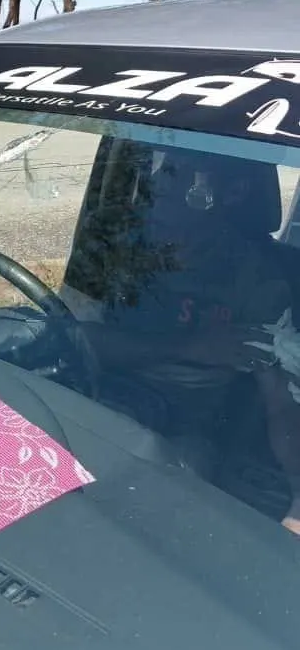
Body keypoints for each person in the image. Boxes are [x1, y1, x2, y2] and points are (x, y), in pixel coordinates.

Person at [63, 143, 300, 534]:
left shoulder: (257, 281)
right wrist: (190, 346)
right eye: (160, 168)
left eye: (175, 173)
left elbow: (281, 402)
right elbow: (67, 337)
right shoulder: (116, 244)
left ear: (232, 192)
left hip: (178, 432)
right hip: (79, 394)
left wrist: (297, 497)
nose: (155, 183)